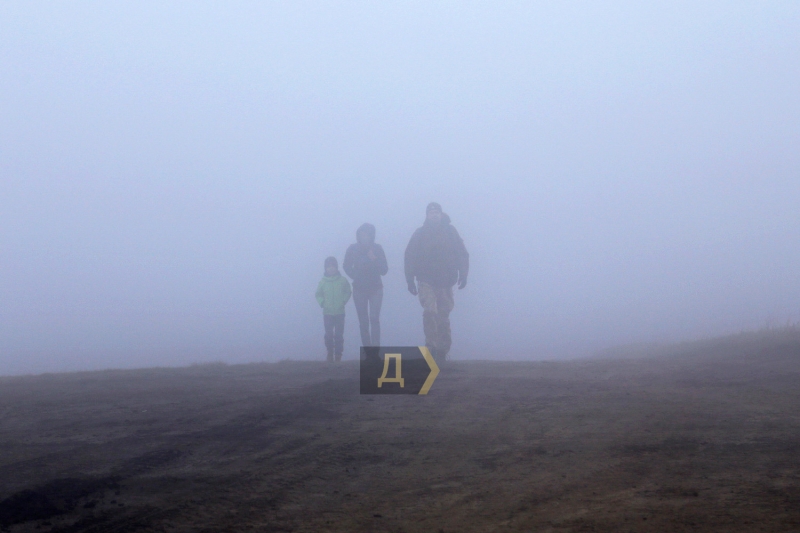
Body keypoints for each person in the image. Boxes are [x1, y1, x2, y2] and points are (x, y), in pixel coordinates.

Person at [404, 202, 469, 363]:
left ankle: (442, 351)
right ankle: (430, 347)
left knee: (443, 315)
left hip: (446, 281)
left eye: (436, 212)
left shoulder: (451, 232)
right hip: (426, 280)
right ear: (427, 215)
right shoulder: (420, 234)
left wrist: (464, 274)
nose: (434, 214)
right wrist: (409, 280)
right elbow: (410, 256)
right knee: (430, 312)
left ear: (441, 214)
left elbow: (462, 253)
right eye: (431, 212)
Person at [343, 223, 388, 347]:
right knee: (363, 322)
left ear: (372, 235)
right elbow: (346, 266)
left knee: (374, 319)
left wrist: (374, 259)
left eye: (367, 234)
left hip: (376, 289)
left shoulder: (377, 249)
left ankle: (375, 351)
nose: (364, 237)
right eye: (362, 234)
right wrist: (355, 275)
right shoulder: (352, 249)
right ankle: (368, 353)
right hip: (359, 289)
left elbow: (384, 270)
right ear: (358, 235)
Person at [315, 256, 352, 362]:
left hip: (340, 312)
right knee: (329, 334)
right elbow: (318, 294)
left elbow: (348, 291)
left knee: (339, 335)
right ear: (325, 269)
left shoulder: (342, 280)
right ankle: (330, 353)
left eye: (333, 266)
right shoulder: (323, 282)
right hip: (327, 313)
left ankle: (338, 354)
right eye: (328, 267)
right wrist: (322, 303)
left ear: (336, 267)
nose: (331, 269)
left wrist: (343, 301)